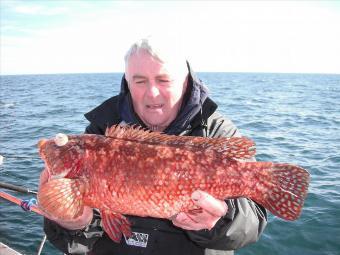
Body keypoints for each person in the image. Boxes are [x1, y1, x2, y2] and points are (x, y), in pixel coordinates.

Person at [40, 36, 267, 255]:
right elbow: (77, 239)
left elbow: (253, 223)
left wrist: (223, 218)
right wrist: (75, 224)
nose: (152, 92)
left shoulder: (217, 133)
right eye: (140, 81)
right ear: (128, 83)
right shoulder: (100, 131)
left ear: (185, 81)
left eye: (164, 80)